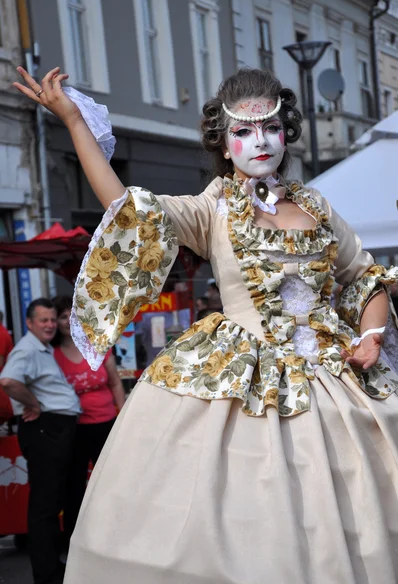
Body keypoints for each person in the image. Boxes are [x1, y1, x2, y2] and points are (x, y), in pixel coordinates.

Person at [14, 66, 398, 584]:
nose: (260, 141)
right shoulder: (212, 208)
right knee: (245, 512)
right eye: (243, 131)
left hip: (334, 378)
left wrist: (372, 336)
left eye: (271, 128)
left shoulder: (316, 205)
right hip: (244, 377)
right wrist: (74, 123)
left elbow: (366, 277)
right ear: (223, 140)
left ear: (288, 131)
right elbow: (128, 209)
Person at [0, 297, 80, 584]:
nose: (48, 325)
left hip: (53, 428)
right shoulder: (26, 350)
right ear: (30, 323)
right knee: (45, 506)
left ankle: (51, 568)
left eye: (51, 319)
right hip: (45, 429)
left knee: (52, 500)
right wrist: (32, 402)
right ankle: (46, 575)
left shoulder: (40, 348)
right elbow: (8, 381)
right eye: (43, 320)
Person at [52, 295, 125, 545]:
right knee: (74, 486)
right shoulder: (52, 355)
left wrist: (123, 418)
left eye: (71, 315)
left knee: (112, 481)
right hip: (74, 429)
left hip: (106, 424)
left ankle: (117, 534)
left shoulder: (98, 345)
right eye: (62, 316)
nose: (66, 321)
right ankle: (76, 541)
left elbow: (115, 383)